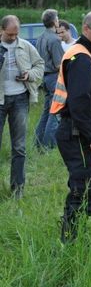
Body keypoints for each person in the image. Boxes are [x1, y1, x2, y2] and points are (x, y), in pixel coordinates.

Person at [50, 10, 91, 243]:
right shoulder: (82, 59)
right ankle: (68, 241)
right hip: (77, 134)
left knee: (88, 191)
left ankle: (72, 236)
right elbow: (78, 101)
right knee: (85, 191)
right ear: (86, 29)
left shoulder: (86, 54)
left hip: (78, 132)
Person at [0, 15, 45, 199]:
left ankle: (17, 190)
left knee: (19, 147)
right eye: (9, 34)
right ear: (1, 30)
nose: (13, 37)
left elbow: (40, 64)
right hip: (0, 100)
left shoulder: (25, 46)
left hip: (20, 99)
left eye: (16, 34)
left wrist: (30, 75)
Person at [35, 9, 64, 151]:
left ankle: (38, 142)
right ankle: (48, 146)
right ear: (54, 21)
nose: (58, 20)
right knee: (54, 112)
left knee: (46, 112)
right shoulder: (54, 39)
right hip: (53, 77)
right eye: (57, 18)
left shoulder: (41, 37)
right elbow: (59, 64)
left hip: (44, 77)